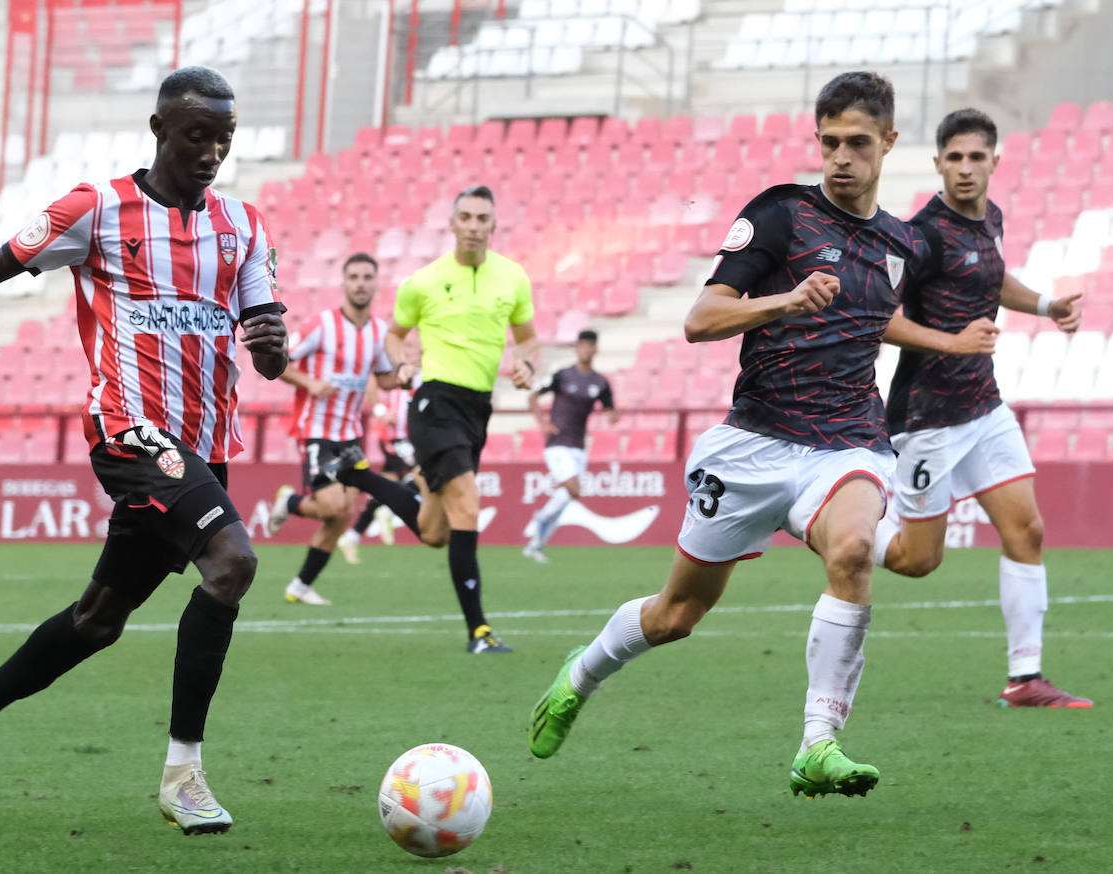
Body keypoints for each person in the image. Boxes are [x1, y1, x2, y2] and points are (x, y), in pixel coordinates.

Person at [528, 72, 998, 797]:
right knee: (677, 614)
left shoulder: (901, 243)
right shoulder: (782, 215)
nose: (841, 157)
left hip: (848, 442)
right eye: (829, 142)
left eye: (858, 143)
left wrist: (948, 342)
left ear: (889, 144)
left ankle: (818, 743)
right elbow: (699, 319)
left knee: (851, 551)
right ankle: (579, 676)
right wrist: (785, 300)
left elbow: (876, 317)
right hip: (753, 445)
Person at [0, 67, 287, 834]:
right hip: (129, 434)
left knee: (99, 619)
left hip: (204, 447)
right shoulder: (98, 209)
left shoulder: (245, 226)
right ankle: (183, 774)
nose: (212, 150)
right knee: (233, 564)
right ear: (159, 130)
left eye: (223, 137)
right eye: (197, 134)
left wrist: (273, 346)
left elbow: (268, 349)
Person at [874, 108, 1092, 710]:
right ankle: (830, 528)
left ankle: (1025, 678)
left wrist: (1047, 305)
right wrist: (951, 342)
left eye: (977, 157)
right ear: (938, 163)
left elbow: (989, 281)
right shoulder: (920, 235)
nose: (965, 168)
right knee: (919, 562)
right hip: (927, 415)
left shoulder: (990, 218)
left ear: (995, 161)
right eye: (955, 158)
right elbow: (880, 316)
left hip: (984, 405)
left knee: (1028, 529)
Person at [384, 184, 539, 654]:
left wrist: (527, 362)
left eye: (482, 218)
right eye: (466, 217)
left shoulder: (513, 278)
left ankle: (363, 479)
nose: (473, 226)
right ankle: (478, 631)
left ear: (494, 226)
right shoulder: (422, 281)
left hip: (477, 410)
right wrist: (403, 365)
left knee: (435, 532)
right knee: (468, 504)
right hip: (435, 403)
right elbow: (394, 336)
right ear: (452, 224)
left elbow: (529, 339)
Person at [264, 252, 425, 604]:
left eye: (368, 277)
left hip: (352, 434)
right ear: (343, 282)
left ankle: (300, 586)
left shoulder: (380, 333)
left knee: (342, 516)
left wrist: (400, 376)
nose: (361, 284)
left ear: (376, 283)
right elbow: (278, 360)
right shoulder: (322, 325)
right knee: (332, 507)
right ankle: (288, 500)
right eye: (354, 277)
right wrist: (310, 383)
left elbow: (382, 379)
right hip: (317, 431)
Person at [522, 329, 619, 562]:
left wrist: (613, 415)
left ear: (595, 349)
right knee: (573, 490)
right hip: (557, 444)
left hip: (578, 447)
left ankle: (536, 542)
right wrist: (543, 423)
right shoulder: (562, 375)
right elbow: (532, 397)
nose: (585, 350)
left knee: (567, 496)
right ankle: (541, 519)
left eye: (589, 346)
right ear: (577, 348)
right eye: (581, 345)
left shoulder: (600, 382)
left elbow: (610, 409)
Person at [337, 380, 421, 562]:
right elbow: (372, 380)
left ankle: (352, 535)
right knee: (423, 476)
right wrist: (380, 410)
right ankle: (387, 512)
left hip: (406, 436)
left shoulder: (418, 366)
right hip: (398, 436)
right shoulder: (402, 363)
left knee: (385, 487)